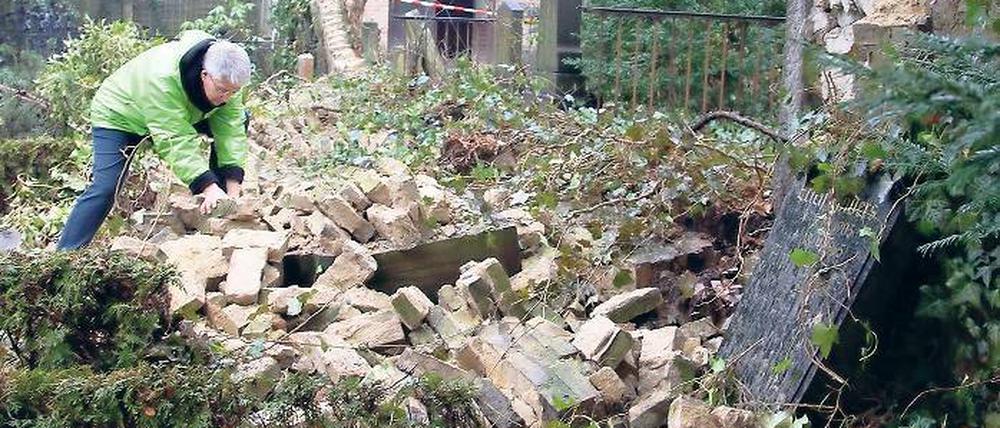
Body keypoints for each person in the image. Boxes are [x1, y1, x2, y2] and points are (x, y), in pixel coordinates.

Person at [57, 30, 252, 250]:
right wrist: (206, 185)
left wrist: (233, 187)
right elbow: (175, 139)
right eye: (222, 91)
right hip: (119, 115)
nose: (227, 98)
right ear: (204, 74)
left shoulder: (227, 78)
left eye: (233, 92)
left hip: (181, 113)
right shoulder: (162, 78)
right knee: (107, 187)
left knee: (241, 118)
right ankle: (66, 254)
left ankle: (218, 207)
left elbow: (231, 129)